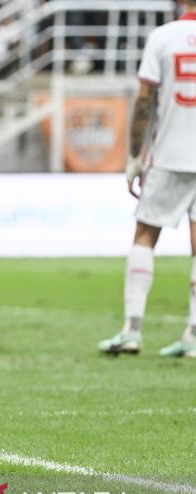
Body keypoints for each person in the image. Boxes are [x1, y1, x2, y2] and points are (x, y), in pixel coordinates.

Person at [98, 0, 196, 358]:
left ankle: (132, 330)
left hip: (169, 153)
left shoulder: (164, 37)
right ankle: (193, 335)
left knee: (145, 235)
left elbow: (144, 101)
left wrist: (135, 157)